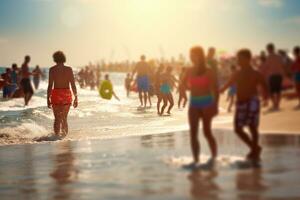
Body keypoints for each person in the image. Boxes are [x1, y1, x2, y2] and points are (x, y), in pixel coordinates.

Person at [220, 49, 268, 163]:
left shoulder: (255, 73)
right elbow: (227, 85)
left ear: (248, 59)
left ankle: (254, 150)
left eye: (240, 58)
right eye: (237, 58)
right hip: (240, 102)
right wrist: (218, 91)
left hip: (252, 102)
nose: (238, 61)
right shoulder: (237, 73)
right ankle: (255, 147)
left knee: (252, 127)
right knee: (237, 129)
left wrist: (266, 97)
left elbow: (265, 85)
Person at [183, 46, 219, 167]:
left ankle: (214, 158)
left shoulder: (209, 71)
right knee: (193, 133)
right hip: (194, 104)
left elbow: (215, 89)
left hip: (206, 104)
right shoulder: (189, 70)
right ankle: (196, 161)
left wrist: (215, 106)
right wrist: (183, 92)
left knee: (206, 132)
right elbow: (182, 83)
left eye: (194, 55)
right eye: (190, 55)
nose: (191, 57)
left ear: (200, 56)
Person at [47, 51, 78, 137]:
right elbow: (73, 84)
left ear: (55, 59)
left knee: (57, 119)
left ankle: (56, 139)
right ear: (64, 58)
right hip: (66, 94)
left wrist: (48, 99)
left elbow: (50, 85)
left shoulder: (52, 69)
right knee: (64, 119)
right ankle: (64, 139)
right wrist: (76, 97)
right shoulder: (69, 69)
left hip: (56, 94)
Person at [262, 43, 284, 111]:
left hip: (272, 75)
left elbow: (265, 67)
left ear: (268, 49)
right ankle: (277, 104)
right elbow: (282, 65)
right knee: (278, 90)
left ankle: (275, 104)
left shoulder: (269, 57)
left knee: (271, 91)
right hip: (279, 75)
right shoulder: (279, 56)